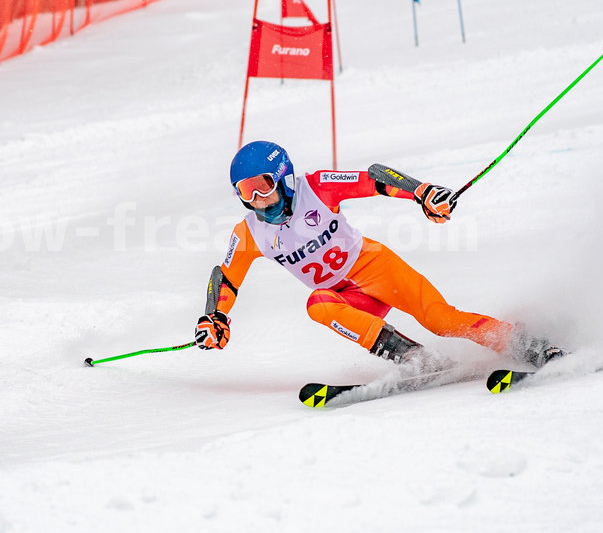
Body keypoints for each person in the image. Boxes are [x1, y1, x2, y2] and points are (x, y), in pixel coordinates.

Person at [194, 140, 563, 369]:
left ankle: (524, 343)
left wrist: (421, 192)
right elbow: (226, 276)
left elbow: (373, 179)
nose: (257, 200)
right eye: (245, 192)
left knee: (440, 320)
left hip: (375, 267)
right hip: (350, 298)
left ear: (285, 178)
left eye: (263, 187)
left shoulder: (317, 187)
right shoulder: (250, 232)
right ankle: (412, 357)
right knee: (317, 304)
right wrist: (216, 317)